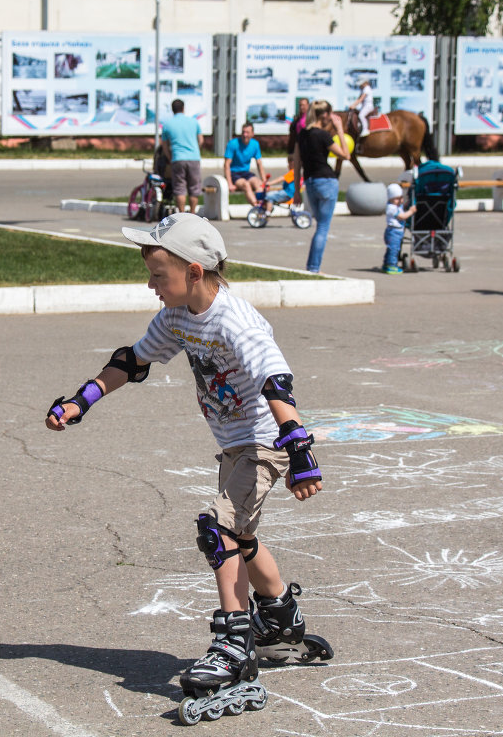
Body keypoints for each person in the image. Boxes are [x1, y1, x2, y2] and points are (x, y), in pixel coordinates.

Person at [44, 212, 327, 715]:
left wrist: (299, 447)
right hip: (234, 443)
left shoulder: (235, 318)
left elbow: (274, 380)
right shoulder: (177, 316)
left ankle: (233, 645)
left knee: (217, 532)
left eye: (158, 274)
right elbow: (133, 361)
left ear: (194, 271)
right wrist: (81, 400)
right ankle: (281, 616)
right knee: (240, 536)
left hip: (265, 441)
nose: (151, 284)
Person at [292, 100, 351, 274]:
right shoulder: (323, 135)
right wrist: (339, 129)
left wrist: (297, 191)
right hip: (327, 181)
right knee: (323, 228)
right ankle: (313, 268)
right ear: (324, 115)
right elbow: (346, 154)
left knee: (320, 226)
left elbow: (296, 164)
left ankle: (312, 267)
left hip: (310, 183)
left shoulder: (302, 134)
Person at [160, 99, 203, 214]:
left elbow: (164, 146)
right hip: (194, 158)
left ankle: (182, 214)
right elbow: (201, 140)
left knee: (180, 188)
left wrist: (170, 158)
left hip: (178, 158)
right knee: (194, 188)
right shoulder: (194, 122)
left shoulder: (167, 125)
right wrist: (194, 150)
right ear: (183, 108)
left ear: (172, 110)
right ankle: (193, 213)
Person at [224, 123, 266, 208]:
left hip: (245, 172)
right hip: (234, 173)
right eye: (243, 132)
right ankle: (257, 207)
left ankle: (261, 205)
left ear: (252, 134)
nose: (245, 135)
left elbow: (259, 163)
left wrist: (264, 180)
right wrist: (229, 183)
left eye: (247, 132)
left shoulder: (255, 144)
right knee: (246, 184)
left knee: (258, 184)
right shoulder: (233, 144)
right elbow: (226, 165)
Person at [382, 182, 414, 274]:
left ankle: (386, 264)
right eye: (397, 199)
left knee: (392, 248)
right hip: (393, 231)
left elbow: (401, 207)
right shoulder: (391, 208)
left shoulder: (396, 205)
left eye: (401, 198)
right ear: (391, 199)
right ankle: (392, 265)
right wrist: (411, 212)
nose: (400, 201)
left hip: (397, 231)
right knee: (394, 249)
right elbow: (402, 216)